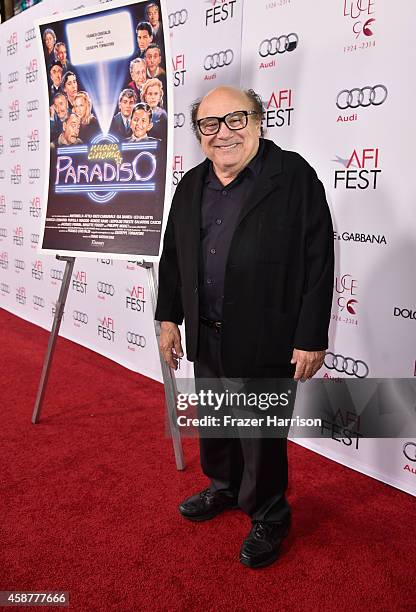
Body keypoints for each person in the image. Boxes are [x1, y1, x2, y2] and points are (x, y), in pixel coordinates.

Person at [155, 86, 334, 569]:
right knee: (215, 420)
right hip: (206, 333)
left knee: (260, 435)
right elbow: (173, 257)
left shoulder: (293, 176)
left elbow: (319, 261)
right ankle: (224, 488)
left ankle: (271, 514)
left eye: (235, 119)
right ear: (199, 134)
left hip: (267, 336)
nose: (223, 134)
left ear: (259, 121)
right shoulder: (191, 183)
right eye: (209, 125)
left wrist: (311, 336)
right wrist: (167, 316)